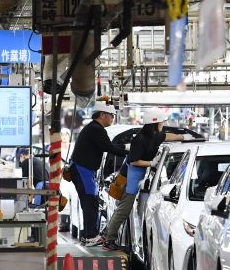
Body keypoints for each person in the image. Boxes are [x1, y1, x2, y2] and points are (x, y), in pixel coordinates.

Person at [99, 108, 188, 249]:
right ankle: (108, 240)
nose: (163, 124)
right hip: (131, 177)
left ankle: (107, 234)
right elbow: (134, 161)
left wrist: (184, 137)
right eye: (162, 122)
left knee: (122, 210)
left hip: (139, 176)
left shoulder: (155, 135)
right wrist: (151, 164)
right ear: (155, 123)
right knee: (124, 210)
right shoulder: (139, 140)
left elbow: (168, 136)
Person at [70, 101, 126, 245]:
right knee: (90, 202)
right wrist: (129, 150)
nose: (112, 119)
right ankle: (90, 236)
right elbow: (109, 147)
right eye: (111, 116)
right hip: (83, 170)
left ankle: (89, 235)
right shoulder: (96, 129)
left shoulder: (93, 128)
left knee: (89, 202)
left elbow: (108, 146)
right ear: (102, 115)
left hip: (83, 170)